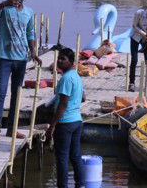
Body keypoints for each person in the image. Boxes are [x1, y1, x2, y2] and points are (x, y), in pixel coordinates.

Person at [0, 0, 43, 140]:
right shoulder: (5, 9)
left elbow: (30, 33)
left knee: (17, 93)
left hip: (21, 59)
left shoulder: (29, 12)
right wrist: (4, 4)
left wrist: (34, 53)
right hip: (4, 58)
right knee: (0, 93)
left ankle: (12, 129)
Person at [47, 47, 84, 188]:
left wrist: (53, 125)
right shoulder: (76, 76)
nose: (60, 61)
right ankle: (80, 184)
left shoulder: (66, 78)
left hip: (65, 123)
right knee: (75, 156)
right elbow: (83, 97)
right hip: (77, 121)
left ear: (71, 62)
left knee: (62, 158)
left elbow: (63, 104)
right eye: (59, 58)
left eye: (63, 59)